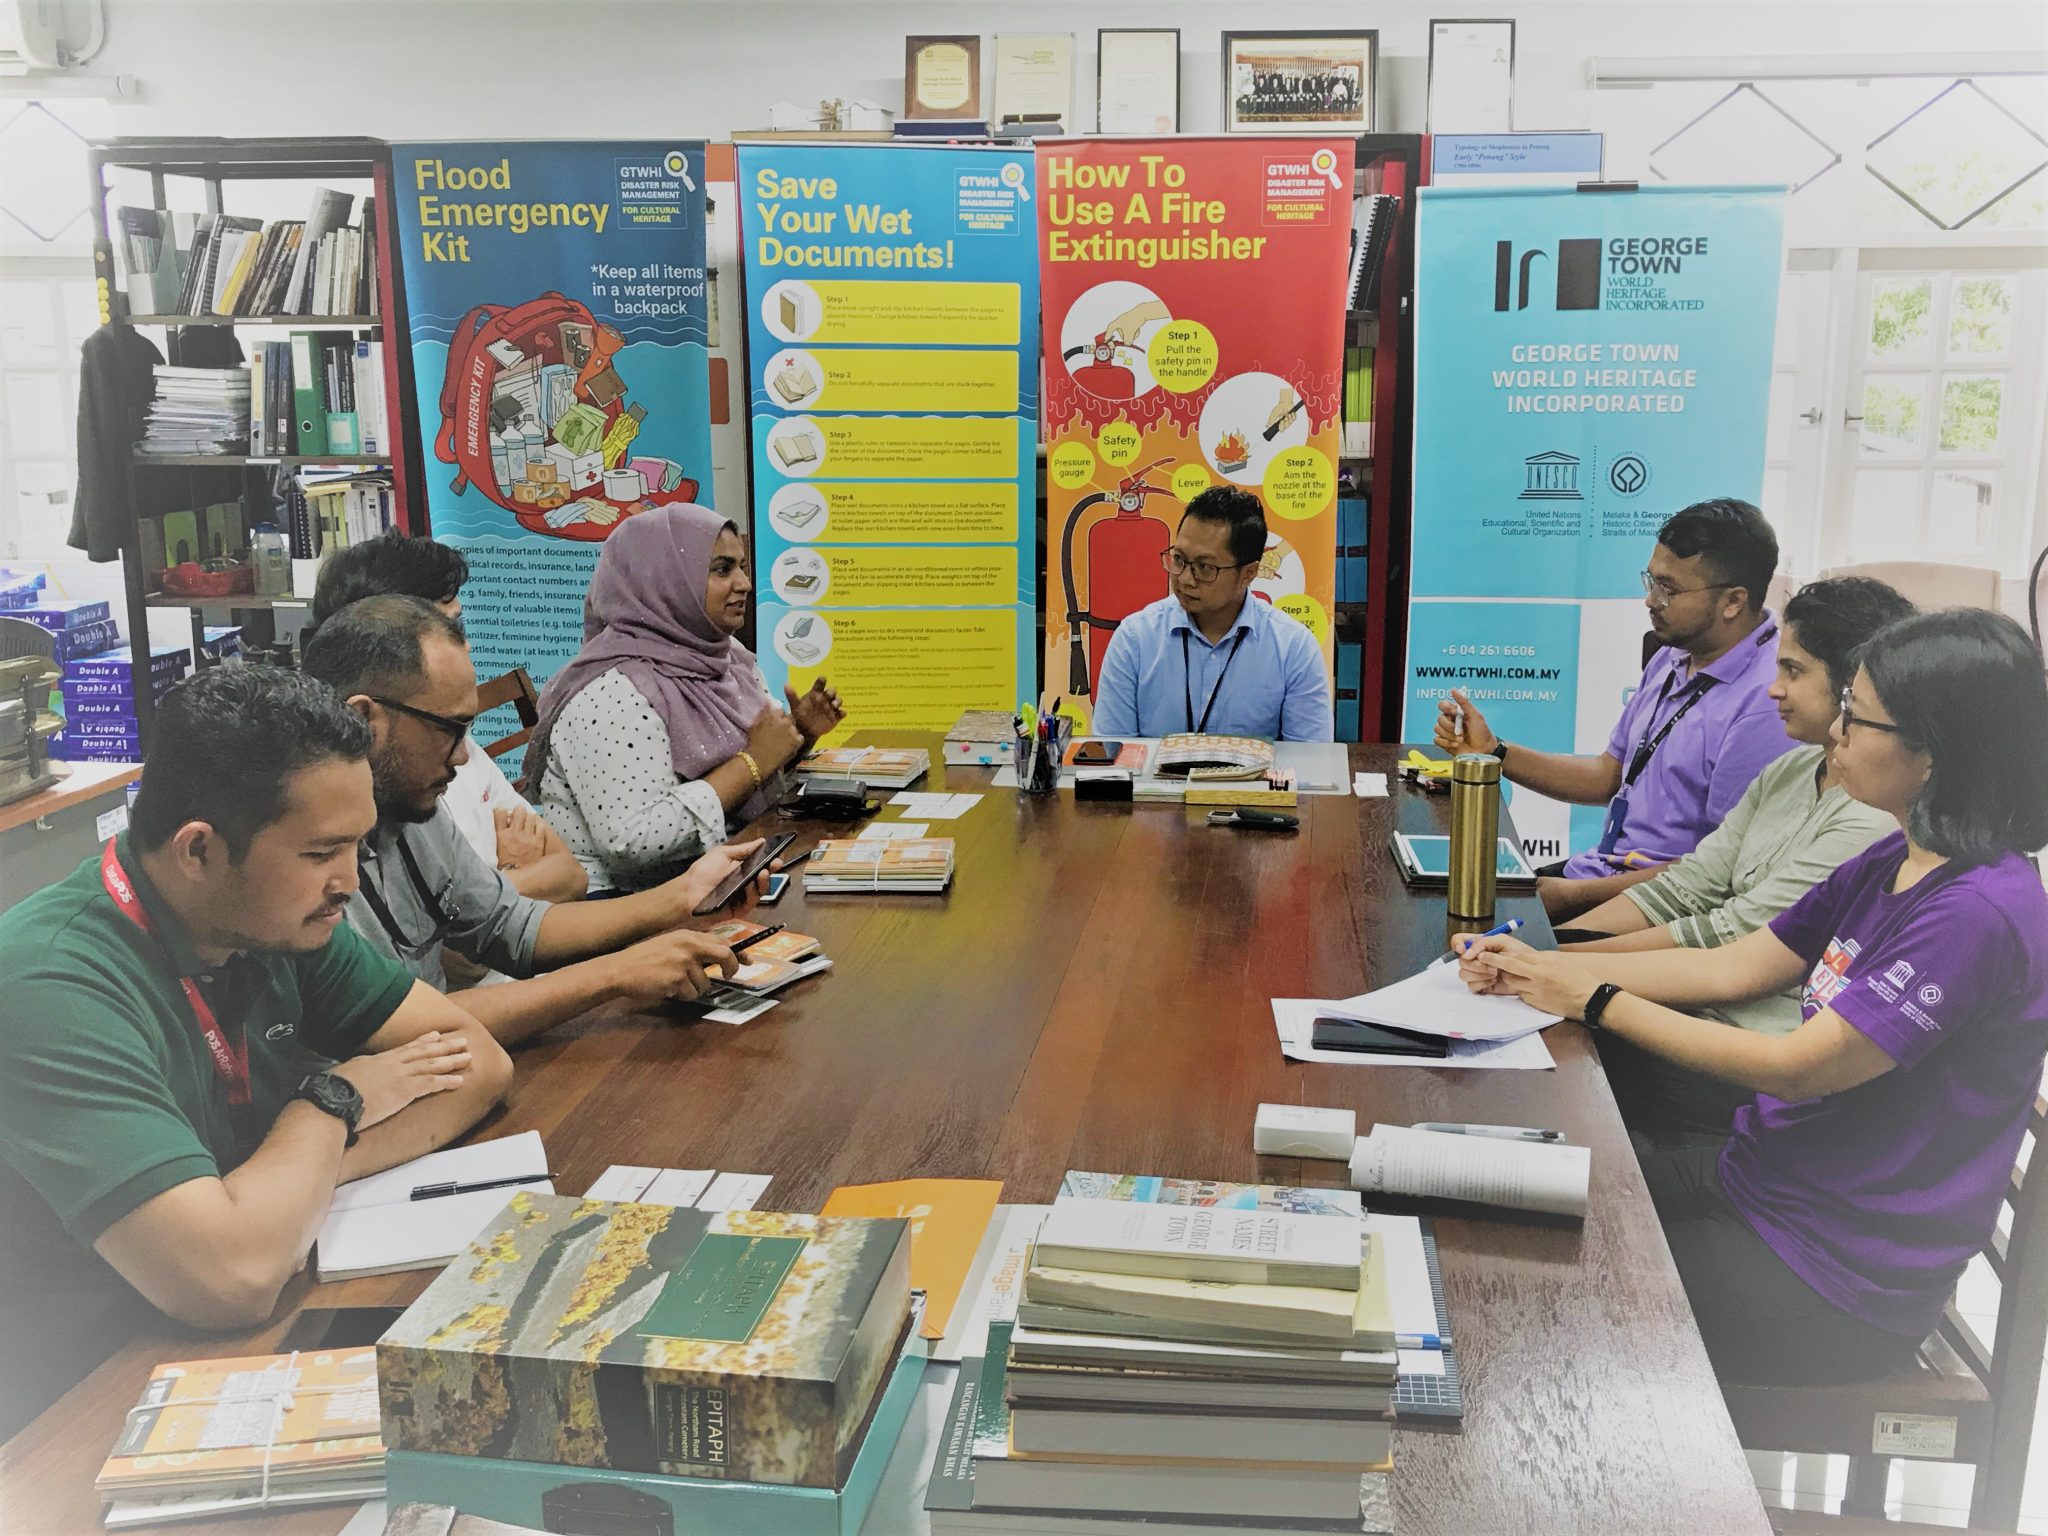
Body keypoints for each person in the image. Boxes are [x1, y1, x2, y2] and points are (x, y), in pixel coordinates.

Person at [1456, 609, 2048, 1386]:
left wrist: (1592, 998)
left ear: (1933, 753)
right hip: (1758, 1181)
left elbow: (1797, 1067)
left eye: (1857, 716)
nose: (1835, 731)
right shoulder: (1894, 859)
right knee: (1495, 1213)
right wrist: (1541, 967)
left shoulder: (1976, 913)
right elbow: (1732, 967)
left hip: (1833, 1273)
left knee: (1517, 1294)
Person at [0, 666, 514, 1439]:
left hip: (243, 1314)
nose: (349, 882)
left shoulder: (275, 920)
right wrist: (330, 1104)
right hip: (72, 1399)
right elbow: (230, 1280)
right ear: (198, 851)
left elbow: (477, 1062)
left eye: (357, 845)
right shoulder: (47, 983)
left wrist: (283, 1193)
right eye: (322, 852)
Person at [303, 594, 767, 1046]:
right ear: (362, 719)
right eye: (449, 730)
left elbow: (512, 929)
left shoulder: (411, 806)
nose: (462, 757)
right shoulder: (299, 853)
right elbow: (400, 1027)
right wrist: (615, 973)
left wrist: (681, 896)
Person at [1563, 577, 1916, 1141]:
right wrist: (1566, 946)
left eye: (1793, 671)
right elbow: (1687, 888)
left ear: (1855, 688)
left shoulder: (1875, 823)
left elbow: (1730, 944)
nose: (1773, 689)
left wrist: (1565, 963)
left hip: (1743, 1054)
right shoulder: (1792, 770)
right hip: (1696, 1014)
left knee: (1559, 1060)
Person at [1436, 498, 1793, 922]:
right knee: (1441, 899)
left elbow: (1720, 872)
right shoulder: (1674, 655)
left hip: (1657, 909)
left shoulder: (1767, 704)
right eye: (1651, 581)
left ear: (1733, 601)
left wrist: (1576, 896)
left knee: (1469, 934)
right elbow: (1608, 776)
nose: (1650, 601)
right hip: (1600, 873)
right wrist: (1495, 751)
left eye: (1669, 589)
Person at [524, 505, 845, 893]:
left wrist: (798, 737)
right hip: (622, 903)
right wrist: (754, 762)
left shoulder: (726, 658)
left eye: (742, 567)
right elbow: (630, 842)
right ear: (665, 581)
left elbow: (754, 777)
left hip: (714, 873)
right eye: (722, 569)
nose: (744, 583)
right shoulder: (611, 692)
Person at [310, 532, 585, 906]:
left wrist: (491, 887)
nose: (465, 645)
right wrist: (509, 874)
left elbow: (570, 876)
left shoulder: (454, 744)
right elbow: (444, 931)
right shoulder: (385, 791)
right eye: (447, 629)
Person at [1090, 485, 1333, 742]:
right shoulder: (1134, 640)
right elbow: (1113, 753)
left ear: (1248, 573)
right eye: (1179, 559)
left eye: (1205, 567)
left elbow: (1309, 757)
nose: (1185, 579)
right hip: (1153, 772)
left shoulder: (1292, 649)